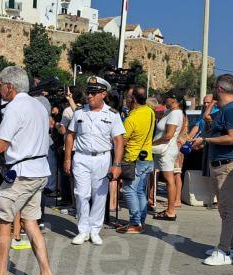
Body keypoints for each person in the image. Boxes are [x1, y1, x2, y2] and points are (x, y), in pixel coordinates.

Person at [0, 66, 58, 275]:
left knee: (3, 222)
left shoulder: (15, 108)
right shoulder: (38, 106)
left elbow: (0, 145)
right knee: (30, 223)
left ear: (10, 87)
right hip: (39, 171)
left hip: (20, 173)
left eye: (1, 85)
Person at [192, 74, 233, 265]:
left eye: (215, 88)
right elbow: (210, 124)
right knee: (226, 209)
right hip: (221, 164)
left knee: (226, 210)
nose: (213, 91)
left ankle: (223, 251)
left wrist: (205, 140)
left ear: (221, 89)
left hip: (229, 165)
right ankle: (232, 247)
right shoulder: (225, 110)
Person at [63, 77, 125, 245]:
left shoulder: (112, 114)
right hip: (81, 157)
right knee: (81, 194)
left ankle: (95, 230)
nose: (89, 95)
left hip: (102, 158)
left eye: (93, 93)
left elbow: (119, 141)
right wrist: (67, 158)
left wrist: (117, 165)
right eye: (88, 92)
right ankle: (83, 230)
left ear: (103, 94)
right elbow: (70, 135)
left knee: (99, 195)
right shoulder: (79, 112)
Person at [117, 86, 155, 234]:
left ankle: (135, 222)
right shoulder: (149, 112)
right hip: (148, 158)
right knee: (139, 191)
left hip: (133, 159)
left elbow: (122, 142)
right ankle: (141, 220)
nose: (126, 98)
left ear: (133, 99)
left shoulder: (131, 119)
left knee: (128, 190)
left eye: (128, 96)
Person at [151, 91, 185, 221]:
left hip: (166, 150)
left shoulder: (175, 113)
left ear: (174, 99)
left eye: (167, 97)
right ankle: (170, 209)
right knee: (168, 179)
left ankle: (171, 211)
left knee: (169, 179)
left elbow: (169, 135)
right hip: (166, 149)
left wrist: (153, 143)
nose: (165, 99)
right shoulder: (171, 112)